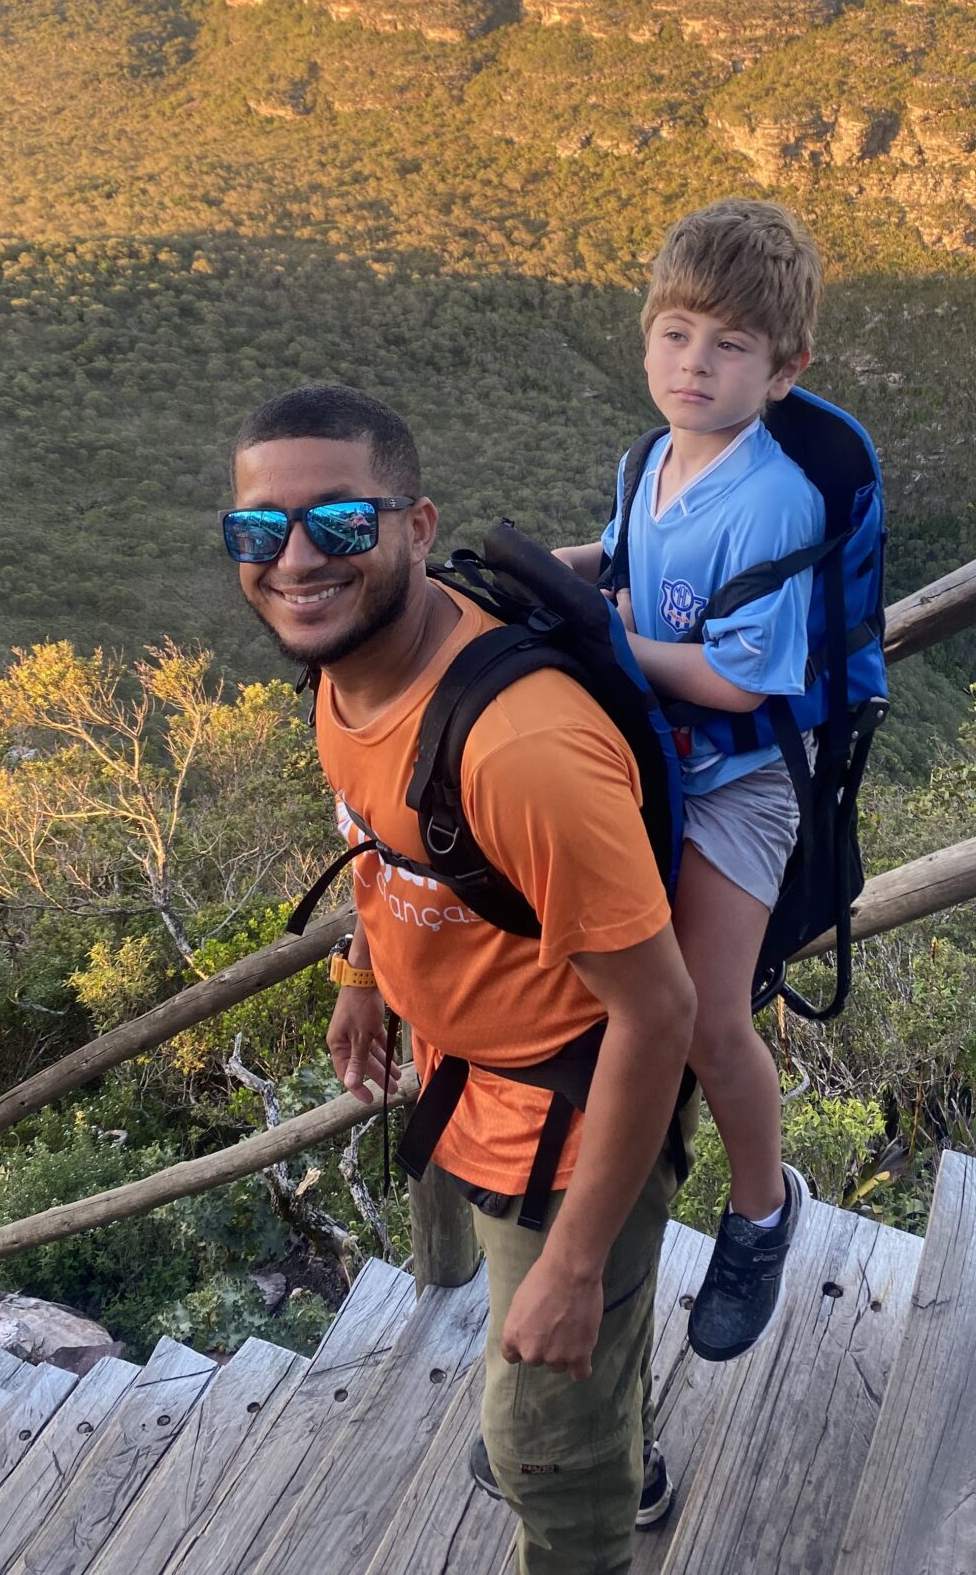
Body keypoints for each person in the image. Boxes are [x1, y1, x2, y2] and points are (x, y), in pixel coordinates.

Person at [224, 383, 698, 1575]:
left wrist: (580, 1263)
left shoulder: (520, 749)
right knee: (549, 1366)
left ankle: (584, 1478)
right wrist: (364, 969)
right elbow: (383, 831)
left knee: (537, 1439)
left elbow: (661, 1010)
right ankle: (614, 1440)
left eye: (338, 524)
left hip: (574, 1120)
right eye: (257, 531)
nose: (293, 560)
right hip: (475, 1085)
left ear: (417, 526)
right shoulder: (342, 674)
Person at [556, 198, 824, 1362]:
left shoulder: (775, 498)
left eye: (729, 347)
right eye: (676, 335)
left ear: (782, 370)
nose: (694, 365)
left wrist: (602, 635)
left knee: (711, 1018)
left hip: (735, 782)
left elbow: (733, 679)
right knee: (604, 984)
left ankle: (763, 1208)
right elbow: (624, 565)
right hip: (646, 762)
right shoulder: (648, 460)